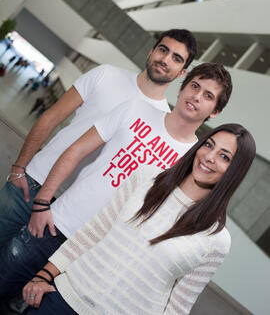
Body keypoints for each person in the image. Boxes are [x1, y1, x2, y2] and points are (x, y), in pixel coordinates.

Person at [0, 62, 232, 303]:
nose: (196, 96)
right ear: (182, 87)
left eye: (208, 95)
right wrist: (42, 202)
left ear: (214, 111)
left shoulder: (192, 160)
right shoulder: (135, 108)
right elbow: (77, 150)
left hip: (90, 258)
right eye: (194, 86)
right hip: (55, 225)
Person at [21, 123, 256, 315]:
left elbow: (177, 307)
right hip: (61, 300)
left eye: (224, 156)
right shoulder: (146, 177)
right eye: (208, 145)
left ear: (234, 171)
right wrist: (44, 275)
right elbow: (93, 232)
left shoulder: (216, 239)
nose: (209, 157)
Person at [0, 28, 197, 246]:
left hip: (67, 214)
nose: (165, 59)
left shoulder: (161, 120)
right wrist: (19, 168)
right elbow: (50, 118)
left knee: (12, 276)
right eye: (163, 50)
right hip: (34, 180)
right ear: (151, 51)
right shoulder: (106, 74)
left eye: (176, 58)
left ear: (182, 73)